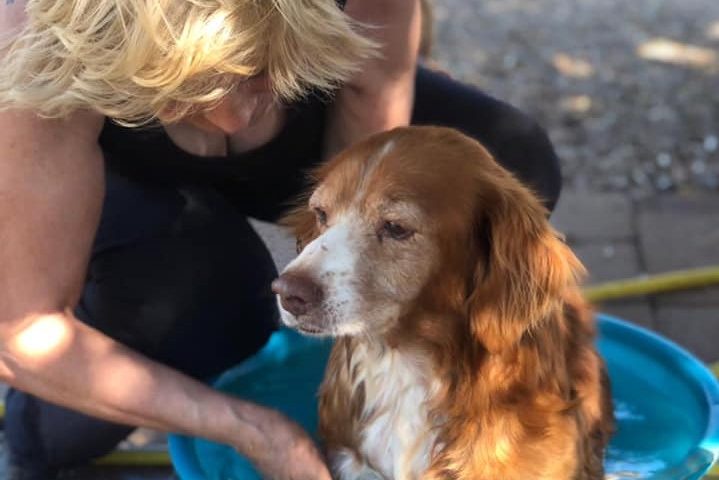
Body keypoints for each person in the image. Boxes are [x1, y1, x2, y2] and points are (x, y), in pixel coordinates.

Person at [0, 0, 561, 478]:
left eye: (257, 72)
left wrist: (349, 280)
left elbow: (376, 81)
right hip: (110, 159)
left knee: (508, 170)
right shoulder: (40, 56)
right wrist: (251, 428)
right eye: (192, 94)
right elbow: (25, 335)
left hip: (313, 86)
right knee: (208, 303)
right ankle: (26, 445)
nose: (236, 116)